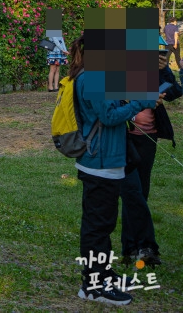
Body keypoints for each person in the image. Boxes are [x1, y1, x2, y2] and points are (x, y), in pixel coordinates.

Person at [71, 35, 162, 305]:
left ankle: (104, 274)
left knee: (104, 224)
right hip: (99, 164)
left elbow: (111, 108)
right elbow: (108, 117)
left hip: (108, 163)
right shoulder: (93, 78)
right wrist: (139, 103)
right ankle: (92, 286)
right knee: (97, 227)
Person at [119, 44, 176, 266]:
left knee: (141, 191)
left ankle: (135, 247)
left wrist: (163, 71)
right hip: (125, 137)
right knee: (132, 192)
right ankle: (139, 247)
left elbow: (173, 92)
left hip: (147, 138)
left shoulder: (155, 68)